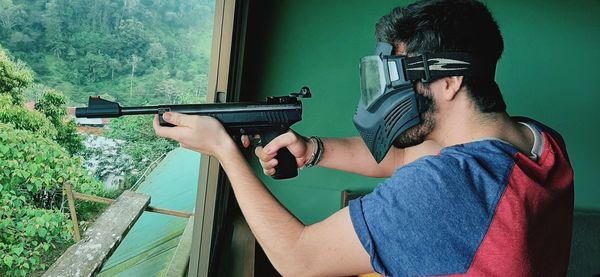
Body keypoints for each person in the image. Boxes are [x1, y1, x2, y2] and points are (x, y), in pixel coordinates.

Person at [154, 0, 574, 276]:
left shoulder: (449, 188)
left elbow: (299, 259)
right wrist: (312, 150)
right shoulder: (535, 139)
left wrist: (224, 152)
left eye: (397, 75)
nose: (388, 91)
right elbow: (402, 161)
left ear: (448, 82)